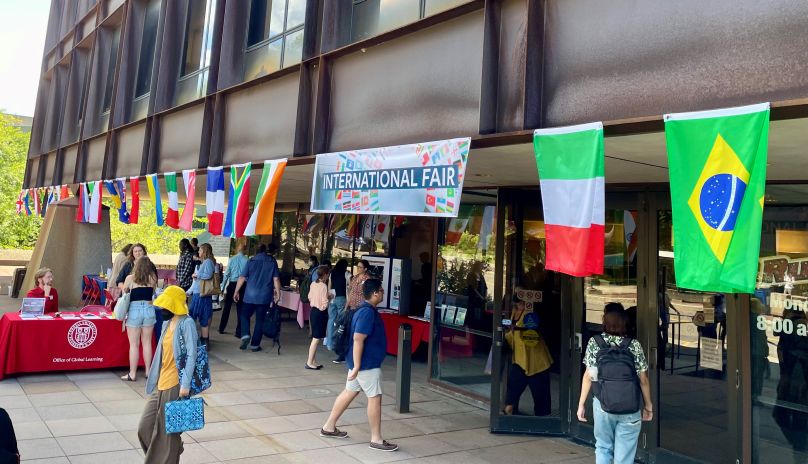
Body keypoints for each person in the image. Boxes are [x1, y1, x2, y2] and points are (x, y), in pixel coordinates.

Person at [319, 278, 398, 452]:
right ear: (376, 293)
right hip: (366, 364)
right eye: (382, 290)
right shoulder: (367, 313)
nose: (383, 293)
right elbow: (358, 339)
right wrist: (357, 366)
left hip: (359, 363)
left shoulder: (362, 309)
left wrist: (354, 365)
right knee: (375, 398)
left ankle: (329, 426)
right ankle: (376, 439)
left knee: (350, 392)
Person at [577, 304, 653, 464]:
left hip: (602, 404)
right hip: (630, 407)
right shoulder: (634, 345)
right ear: (625, 323)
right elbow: (643, 379)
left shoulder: (594, 343)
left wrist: (581, 404)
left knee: (603, 447)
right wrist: (648, 406)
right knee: (624, 457)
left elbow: (588, 376)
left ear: (604, 323)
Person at [138, 285, 197, 464]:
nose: (162, 310)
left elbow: (192, 355)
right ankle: (172, 451)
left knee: (167, 434)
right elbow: (160, 354)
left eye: (166, 306)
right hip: (160, 383)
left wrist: (185, 385)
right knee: (145, 428)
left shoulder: (187, 324)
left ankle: (169, 455)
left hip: (176, 385)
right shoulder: (166, 323)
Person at [503, 292, 553, 416]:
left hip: (537, 362)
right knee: (512, 389)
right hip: (520, 360)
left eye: (524, 301)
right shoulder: (514, 313)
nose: (521, 304)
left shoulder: (532, 314)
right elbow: (512, 334)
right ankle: (508, 411)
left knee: (540, 395)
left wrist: (514, 331)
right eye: (519, 302)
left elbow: (530, 331)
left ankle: (543, 422)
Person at [234, 244, 281, 352]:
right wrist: (278, 293)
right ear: (265, 251)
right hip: (264, 296)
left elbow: (242, 277)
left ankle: (245, 333)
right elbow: (276, 279)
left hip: (249, 295)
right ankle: (255, 345)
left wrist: (236, 291)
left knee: (244, 315)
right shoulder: (271, 262)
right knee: (260, 320)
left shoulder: (251, 261)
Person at [120, 256, 158, 382]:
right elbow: (153, 293)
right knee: (147, 343)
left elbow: (124, 293)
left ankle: (132, 373)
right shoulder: (153, 278)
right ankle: (148, 371)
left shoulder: (130, 278)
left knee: (134, 344)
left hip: (134, 310)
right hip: (149, 308)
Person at [189, 244, 216, 347]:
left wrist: (197, 275)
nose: (198, 252)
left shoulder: (208, 262)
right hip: (199, 292)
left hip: (202, 294)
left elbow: (208, 275)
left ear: (204, 251)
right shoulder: (205, 262)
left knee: (200, 317)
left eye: (200, 250)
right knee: (201, 318)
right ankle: (203, 342)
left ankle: (203, 342)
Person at [219, 242, 248, 336]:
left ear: (237, 249)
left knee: (227, 307)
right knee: (241, 308)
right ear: (245, 250)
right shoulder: (247, 260)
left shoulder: (231, 259)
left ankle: (221, 328)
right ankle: (239, 332)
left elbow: (226, 274)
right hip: (243, 285)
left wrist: (222, 288)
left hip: (232, 284)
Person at [307, 266, 331, 370]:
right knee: (316, 339)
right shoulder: (323, 286)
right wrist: (328, 299)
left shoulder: (313, 284)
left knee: (315, 338)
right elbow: (324, 304)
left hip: (313, 311)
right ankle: (309, 362)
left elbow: (309, 297)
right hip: (320, 313)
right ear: (325, 275)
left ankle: (313, 360)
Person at [327, 259, 349, 351]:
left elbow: (329, 285)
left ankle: (329, 344)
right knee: (340, 321)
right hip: (342, 298)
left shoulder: (332, 273)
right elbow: (349, 286)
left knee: (331, 320)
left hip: (332, 297)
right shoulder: (346, 273)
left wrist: (329, 295)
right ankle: (338, 342)